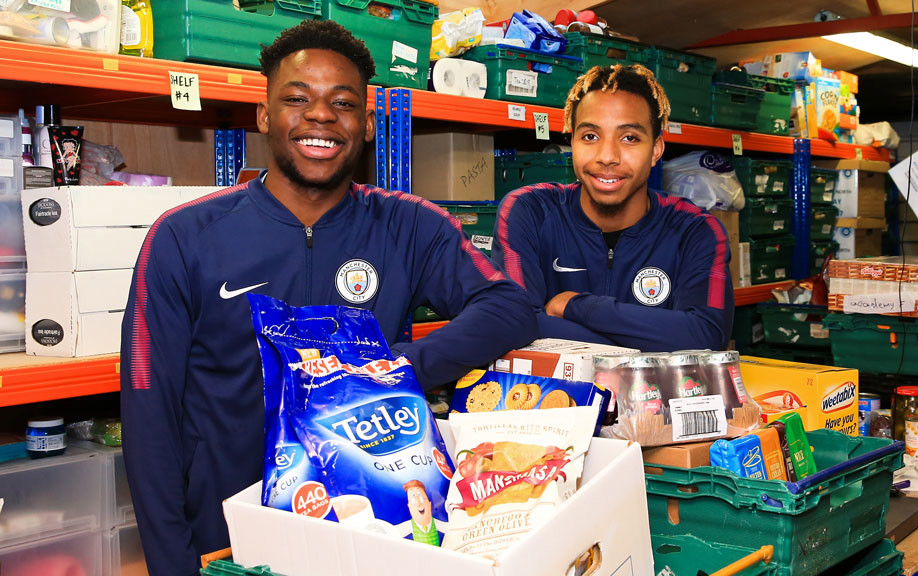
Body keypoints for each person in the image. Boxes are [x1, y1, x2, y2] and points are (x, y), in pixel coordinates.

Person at [120, 20, 537, 576]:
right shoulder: (183, 237)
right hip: (228, 540)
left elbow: (508, 307)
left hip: (374, 534)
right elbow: (149, 414)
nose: (320, 115)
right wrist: (173, 564)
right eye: (297, 98)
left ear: (366, 124)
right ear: (265, 115)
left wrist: (392, 368)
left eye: (341, 103)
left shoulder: (411, 226)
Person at [491, 64, 734, 351]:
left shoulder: (696, 231)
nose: (607, 156)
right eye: (590, 136)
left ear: (656, 149)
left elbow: (707, 335)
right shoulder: (528, 211)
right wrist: (656, 337)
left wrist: (576, 305)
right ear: (572, 141)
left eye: (629, 138)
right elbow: (515, 323)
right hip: (556, 396)